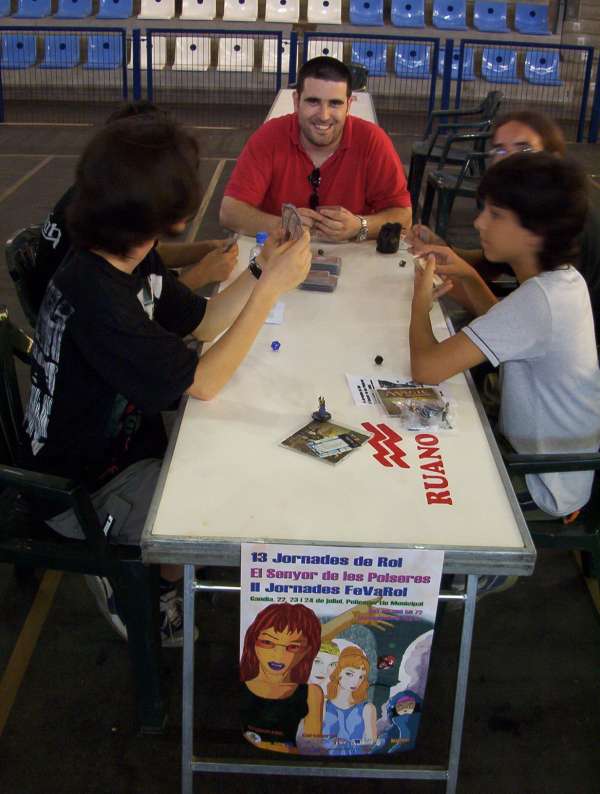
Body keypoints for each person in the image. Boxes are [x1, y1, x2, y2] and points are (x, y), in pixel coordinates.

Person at [21, 116, 312, 646]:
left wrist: (258, 270)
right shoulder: (96, 296)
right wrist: (271, 289)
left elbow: (203, 322)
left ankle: (169, 571)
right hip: (84, 493)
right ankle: (149, 593)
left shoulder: (126, 253)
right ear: (174, 217)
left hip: (122, 451)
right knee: (234, 495)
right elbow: (204, 382)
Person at [409, 152, 600, 520]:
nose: (478, 222)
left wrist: (419, 305)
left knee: (413, 490)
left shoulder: (540, 301)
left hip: (539, 483)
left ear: (536, 232)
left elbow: (426, 369)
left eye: (496, 215)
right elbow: (503, 322)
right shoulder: (563, 281)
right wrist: (466, 273)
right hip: (546, 464)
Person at [34, 101, 237, 322]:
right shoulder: (103, 246)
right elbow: (141, 307)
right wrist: (202, 274)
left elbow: (150, 254)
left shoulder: (99, 198)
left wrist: (204, 249)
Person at [407, 110, 600, 335]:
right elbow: (491, 265)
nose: (509, 159)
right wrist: (442, 248)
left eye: (524, 149)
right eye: (500, 150)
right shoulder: (529, 208)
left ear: (553, 159)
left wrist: (431, 295)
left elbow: (514, 330)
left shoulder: (568, 225)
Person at [219, 56, 412, 242]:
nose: (324, 115)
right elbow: (229, 212)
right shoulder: (269, 137)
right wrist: (284, 224)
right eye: (313, 101)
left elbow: (404, 216)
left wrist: (360, 226)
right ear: (296, 101)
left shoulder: (373, 141)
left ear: (349, 105)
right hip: (279, 253)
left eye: (335, 103)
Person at [240, 603, 323, 753]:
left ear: (307, 651)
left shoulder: (312, 694)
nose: (278, 655)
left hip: (288, 765)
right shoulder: (236, 685)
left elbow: (312, 750)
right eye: (267, 642)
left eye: (293, 647)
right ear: (252, 641)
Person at [322, 646, 377, 754]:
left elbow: (371, 741)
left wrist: (351, 743)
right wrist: (331, 743)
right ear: (338, 672)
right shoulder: (322, 706)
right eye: (349, 674)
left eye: (361, 677)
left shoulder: (368, 708)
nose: (355, 681)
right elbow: (311, 741)